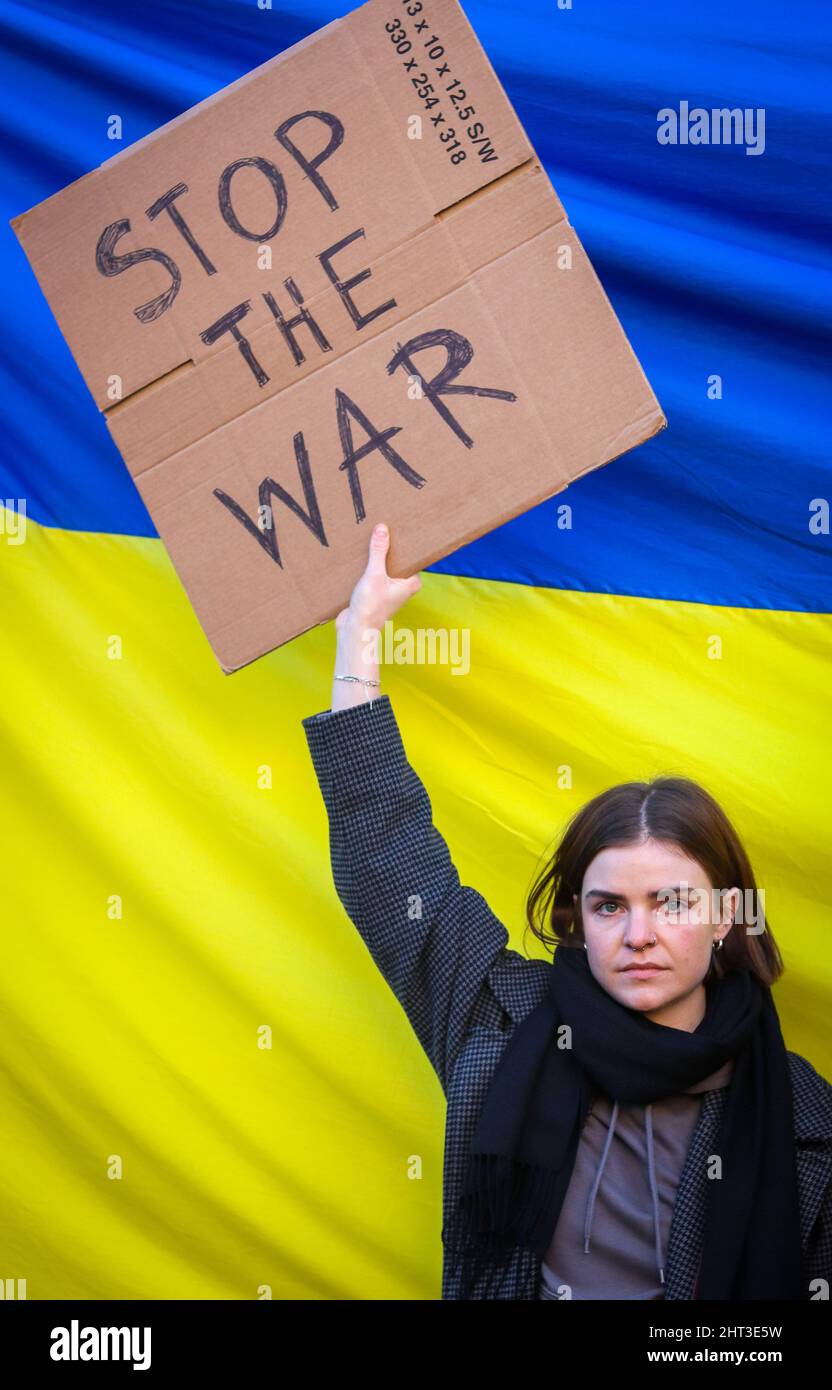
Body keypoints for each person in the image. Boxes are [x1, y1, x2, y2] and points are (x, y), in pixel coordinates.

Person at [302, 522, 832, 1300]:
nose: (639, 934)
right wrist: (361, 638)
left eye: (672, 902)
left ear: (725, 917)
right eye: (609, 905)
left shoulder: (801, 1117)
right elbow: (387, 864)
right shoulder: (503, 1020)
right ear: (578, 921)